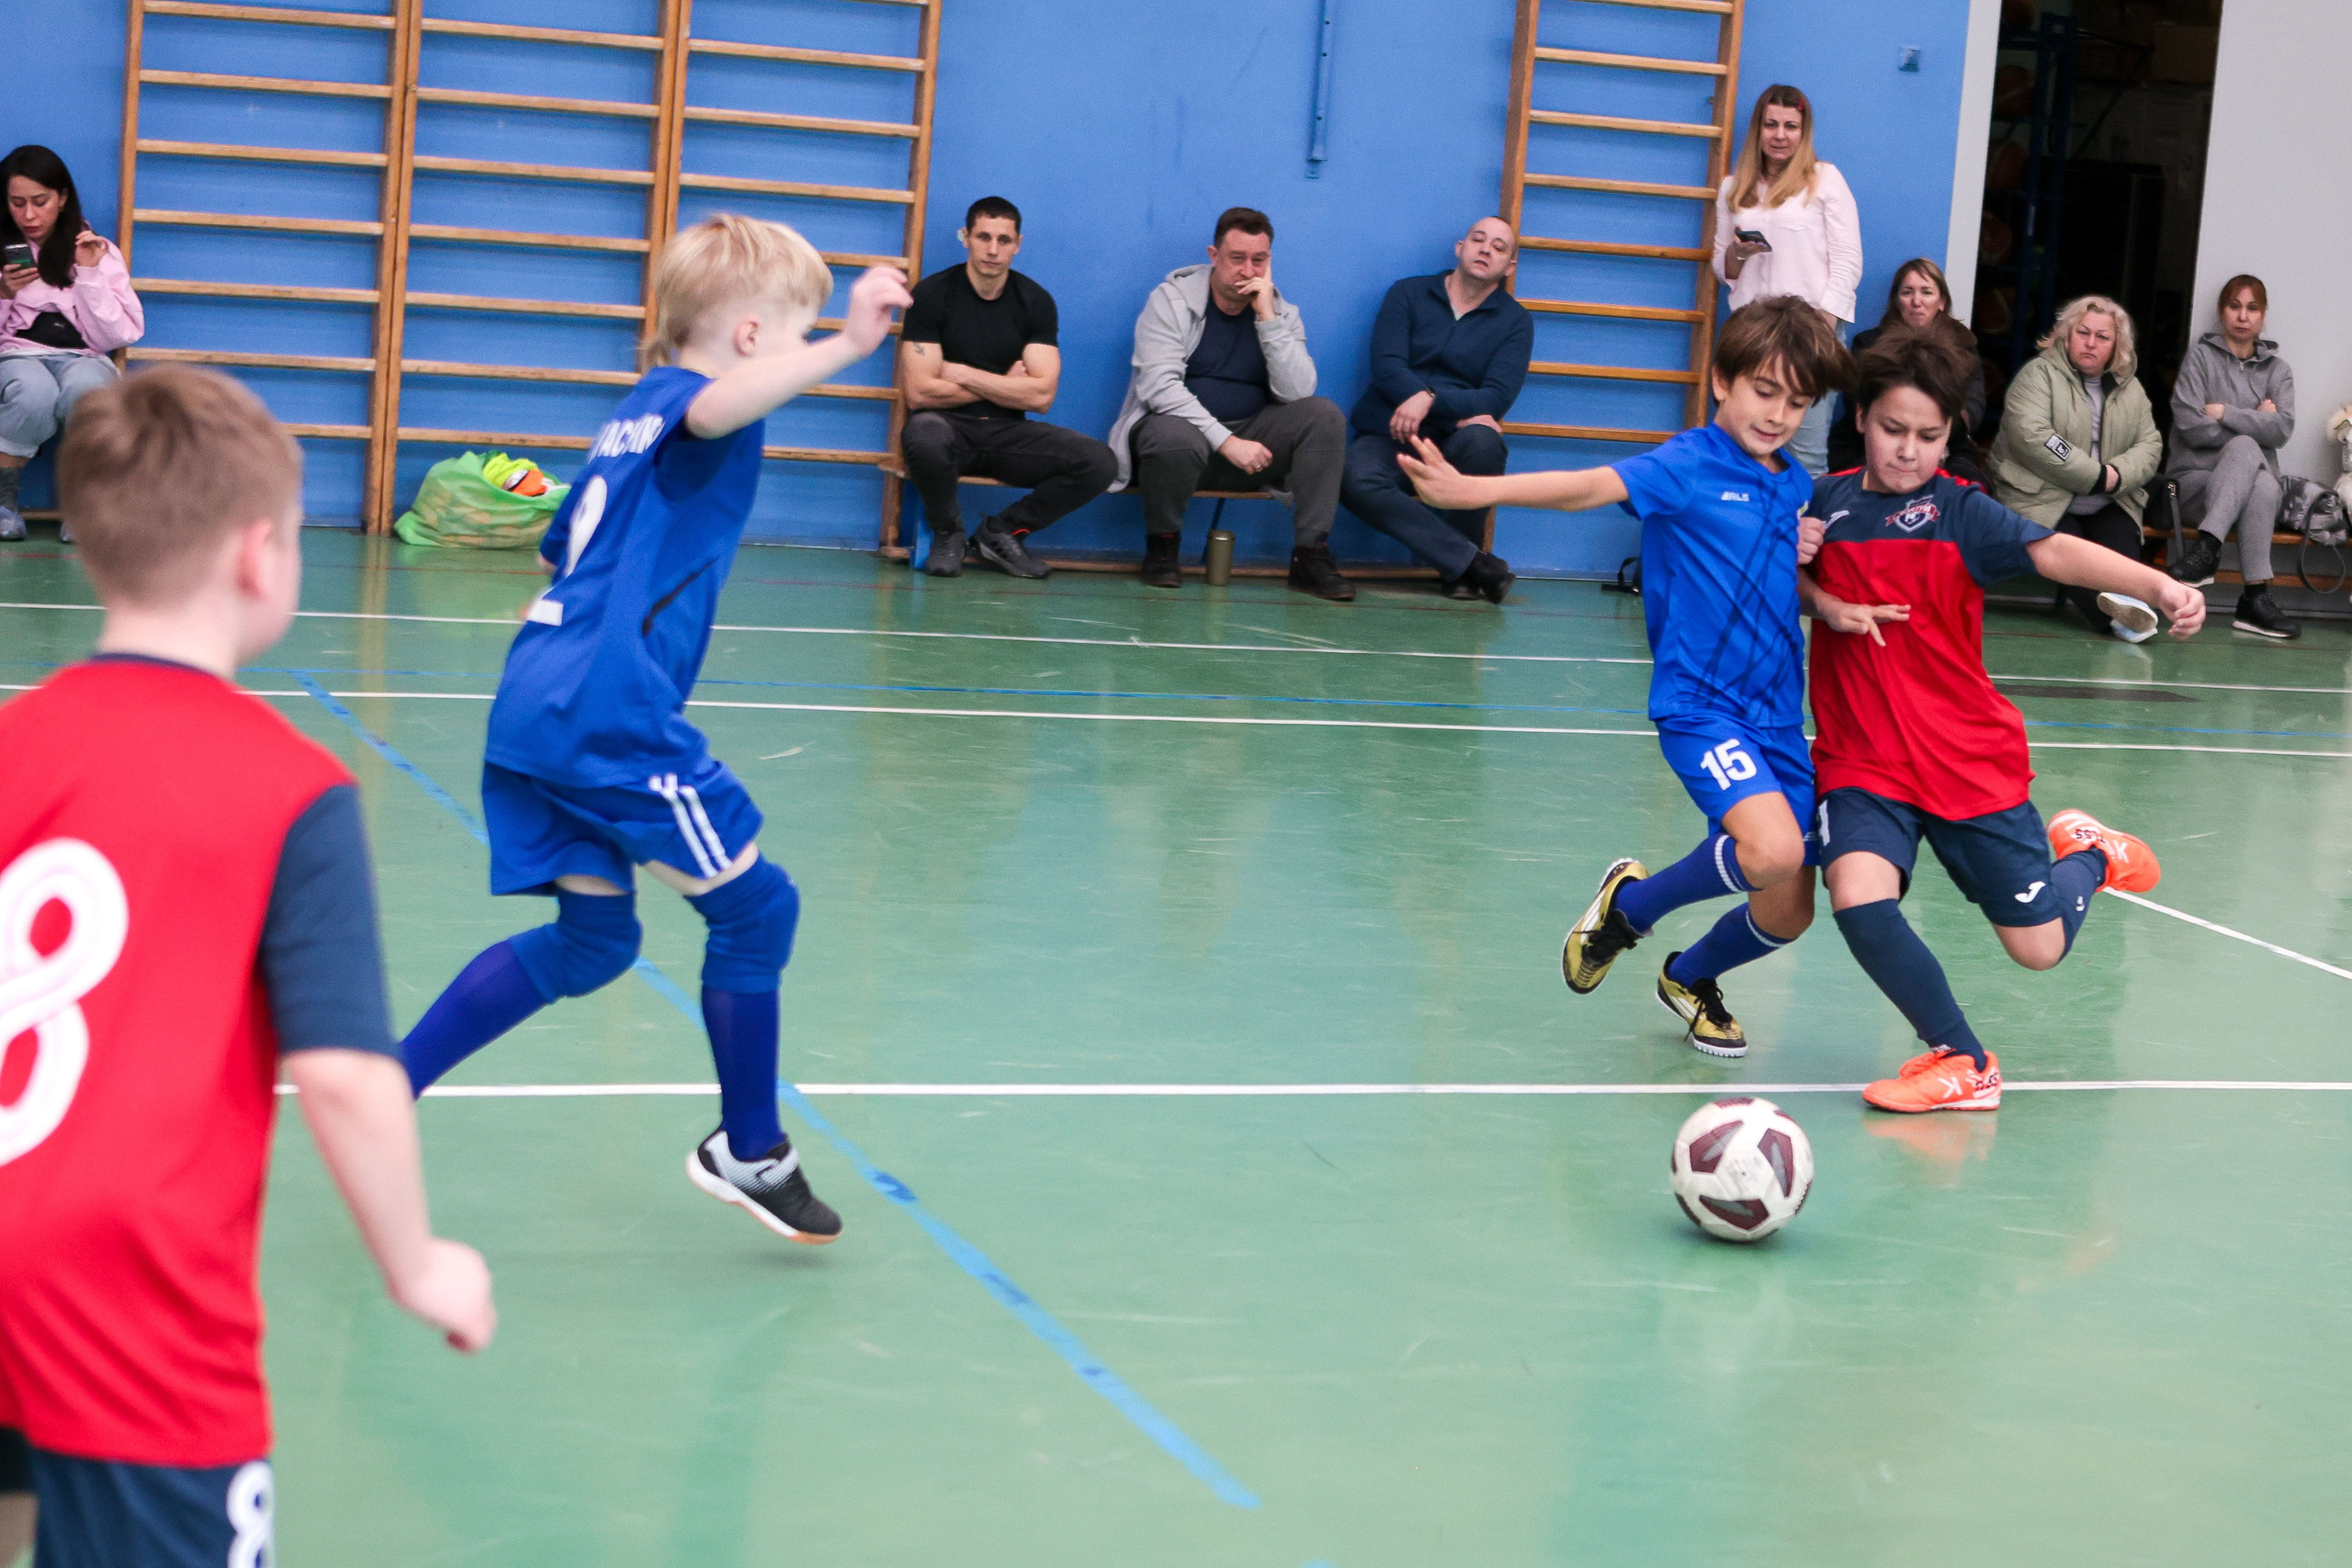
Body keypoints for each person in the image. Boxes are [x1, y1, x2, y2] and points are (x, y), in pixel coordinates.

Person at [0, 365, 493, 1564]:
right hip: (128, 1288)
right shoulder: (290, 788)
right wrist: (417, 1258)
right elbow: (345, 1074)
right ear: (260, 553)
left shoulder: (15, 737)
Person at [394, 215, 910, 1242]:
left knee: (594, 943)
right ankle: (750, 1150)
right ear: (758, 337)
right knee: (757, 913)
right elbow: (720, 410)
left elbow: (557, 551)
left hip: (537, 696)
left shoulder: (630, 414)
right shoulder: (693, 406)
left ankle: (386, 1082)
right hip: (606, 712)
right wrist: (850, 343)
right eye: (796, 327)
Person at [1399, 295, 1854, 1055]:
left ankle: (1691, 975)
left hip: (1778, 715)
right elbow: (1586, 485)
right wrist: (1471, 491)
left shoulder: (1791, 486)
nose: (1778, 414)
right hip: (1702, 708)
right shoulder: (1689, 463)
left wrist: (1824, 598)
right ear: (1722, 381)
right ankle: (1629, 910)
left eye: (1798, 401)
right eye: (1765, 391)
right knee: (1772, 850)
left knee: (1788, 911)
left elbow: (1775, 580)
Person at [1801, 328, 2202, 1111]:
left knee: (2040, 949)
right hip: (1865, 759)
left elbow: (2055, 553)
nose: (1909, 450)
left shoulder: (1962, 513)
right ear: (1859, 417)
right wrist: (1812, 586)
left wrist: (2158, 584)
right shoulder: (1825, 504)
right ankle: (1963, 1058)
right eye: (1892, 430)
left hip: (1966, 761)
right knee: (1857, 896)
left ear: (1950, 435)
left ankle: (2088, 853)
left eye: (1928, 436)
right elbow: (1776, 579)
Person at [1106, 207, 1353, 599]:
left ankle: (1310, 556)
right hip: (1182, 445)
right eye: (1237, 258)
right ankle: (1163, 548)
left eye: (1259, 260)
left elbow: (1297, 394)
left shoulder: (1282, 312)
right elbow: (1158, 387)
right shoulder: (1171, 300)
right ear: (1214, 255)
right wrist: (1226, 441)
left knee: (1323, 415)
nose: (1248, 270)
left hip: (1254, 447)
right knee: (1172, 433)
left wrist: (1267, 317)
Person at [898, 196, 1116, 581]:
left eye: (1004, 240)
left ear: (1018, 244)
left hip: (1008, 434)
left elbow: (1042, 396)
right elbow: (920, 394)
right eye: (983, 237)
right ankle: (948, 534)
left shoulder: (1035, 302)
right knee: (924, 431)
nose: (993, 250)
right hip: (949, 429)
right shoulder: (932, 296)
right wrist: (1006, 385)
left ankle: (1002, 531)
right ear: (965, 237)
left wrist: (963, 374)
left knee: (1099, 463)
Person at [1338, 216, 1532, 603]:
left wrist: (1429, 400)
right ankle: (1468, 564)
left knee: (1485, 441)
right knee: (1352, 478)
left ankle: (1458, 567)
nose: (1486, 249)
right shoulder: (1407, 294)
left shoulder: (1516, 322)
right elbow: (1387, 365)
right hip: (1389, 435)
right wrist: (1433, 400)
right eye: (1479, 240)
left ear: (1509, 267)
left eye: (1499, 247)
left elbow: (1496, 397)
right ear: (1460, 248)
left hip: (1454, 444)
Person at [1986, 295, 2166, 643]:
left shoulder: (2132, 388)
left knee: (2122, 554)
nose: (2091, 342)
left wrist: (2117, 475)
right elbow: (2035, 437)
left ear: (2117, 346)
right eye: (2083, 332)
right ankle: (2120, 617)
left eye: (2103, 337)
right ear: (2066, 335)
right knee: (2067, 552)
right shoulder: (2037, 375)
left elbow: (2151, 445)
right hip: (2041, 497)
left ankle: (2130, 607)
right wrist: (2095, 475)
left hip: (2110, 499)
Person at [1713, 85, 1861, 478]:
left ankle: (1806, 539)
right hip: (1752, 337)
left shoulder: (1824, 179)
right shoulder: (1733, 188)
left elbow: (1848, 262)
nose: (1780, 135)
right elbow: (1721, 269)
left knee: (1807, 459)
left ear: (1803, 131)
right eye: (1771, 125)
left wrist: (1821, 332)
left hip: (1810, 334)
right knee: (1741, 452)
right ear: (1758, 130)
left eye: (1791, 126)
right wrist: (1739, 254)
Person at [0, 144, 143, 543]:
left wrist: (90, 274)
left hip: (83, 354)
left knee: (89, 392)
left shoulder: (97, 252)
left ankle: (87, 507)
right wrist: (3, 294)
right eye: (17, 203)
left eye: (40, 202)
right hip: (17, 355)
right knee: (32, 392)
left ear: (62, 199)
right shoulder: (4, 254)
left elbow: (119, 334)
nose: (29, 215)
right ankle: (3, 503)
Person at [2165, 274, 2298, 640]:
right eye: (2234, 306)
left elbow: (2282, 429)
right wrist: (2257, 419)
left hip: (2248, 496)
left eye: (2252, 308)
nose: (2243, 316)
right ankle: (2254, 598)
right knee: (2248, 452)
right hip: (2195, 485)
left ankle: (2212, 554)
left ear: (2263, 315)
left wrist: (2225, 411)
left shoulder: (2278, 372)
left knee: (2261, 484)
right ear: (2222, 312)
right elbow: (2191, 425)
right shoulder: (2200, 359)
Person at [1826, 257, 1987, 486]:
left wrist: (1938, 433)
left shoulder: (1963, 343)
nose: (1916, 301)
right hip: (1868, 443)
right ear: (1896, 301)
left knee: (1969, 486)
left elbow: (1975, 402)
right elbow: (1857, 401)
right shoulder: (1869, 343)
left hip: (1949, 443)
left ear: (1941, 301)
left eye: (1927, 292)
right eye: (1907, 292)